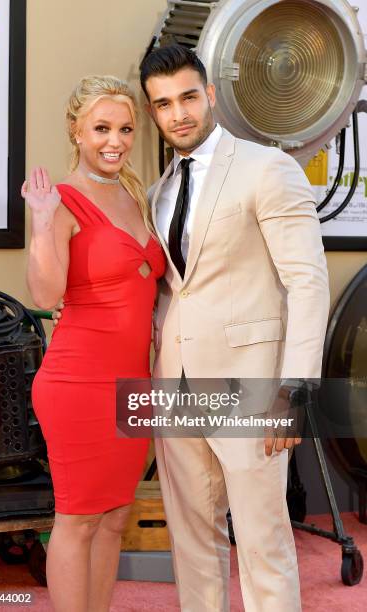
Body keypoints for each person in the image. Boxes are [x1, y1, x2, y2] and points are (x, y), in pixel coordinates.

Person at [54, 46, 330, 611]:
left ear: (209, 95)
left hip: (251, 388)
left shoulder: (267, 167)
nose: (178, 114)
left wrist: (295, 388)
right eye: (162, 104)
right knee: (193, 545)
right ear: (152, 114)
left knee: (263, 542)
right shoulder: (153, 194)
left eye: (187, 97)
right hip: (173, 389)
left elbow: (308, 282)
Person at [23, 75, 165, 612]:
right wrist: (40, 224)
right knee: (78, 517)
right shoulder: (61, 200)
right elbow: (45, 293)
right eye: (101, 128)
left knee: (114, 518)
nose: (115, 140)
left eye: (126, 128)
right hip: (78, 383)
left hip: (135, 384)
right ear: (76, 132)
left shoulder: (134, 193)